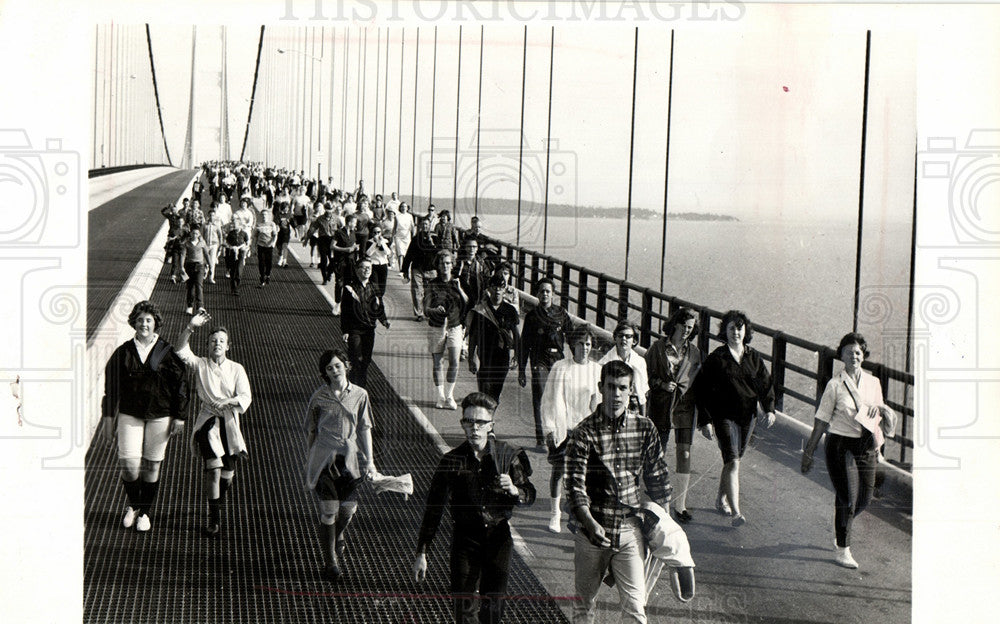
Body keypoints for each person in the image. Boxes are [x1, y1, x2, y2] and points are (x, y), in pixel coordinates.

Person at [413, 392, 536, 623]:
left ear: (491, 425)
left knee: (493, 610)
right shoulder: (451, 461)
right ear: (462, 424)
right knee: (464, 610)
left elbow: (530, 494)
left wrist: (515, 490)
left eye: (480, 422)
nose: (474, 428)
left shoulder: (508, 456)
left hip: (498, 540)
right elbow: (433, 509)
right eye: (468, 422)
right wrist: (422, 552)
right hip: (464, 541)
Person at [565, 360, 672, 624]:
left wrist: (666, 529)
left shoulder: (645, 428)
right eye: (611, 387)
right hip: (593, 531)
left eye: (623, 388)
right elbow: (575, 486)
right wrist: (589, 523)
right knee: (584, 604)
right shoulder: (583, 433)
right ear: (601, 388)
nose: (616, 394)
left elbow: (658, 478)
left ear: (631, 390)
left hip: (630, 530)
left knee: (636, 608)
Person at [802, 332, 897, 569]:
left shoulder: (873, 383)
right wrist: (809, 452)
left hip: (865, 444)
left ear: (863, 355)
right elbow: (821, 421)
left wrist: (882, 412)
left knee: (864, 498)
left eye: (858, 352)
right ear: (841, 355)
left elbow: (878, 416)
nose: (853, 356)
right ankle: (843, 548)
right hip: (840, 444)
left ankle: (841, 524)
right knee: (846, 497)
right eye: (848, 352)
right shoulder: (835, 385)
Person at [101, 300, 188, 533]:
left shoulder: (166, 352)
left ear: (155, 323)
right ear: (134, 323)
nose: (144, 324)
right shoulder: (123, 352)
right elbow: (111, 388)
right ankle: (134, 505)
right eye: (140, 320)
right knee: (129, 465)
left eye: (148, 320)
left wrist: (179, 416)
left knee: (151, 466)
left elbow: (181, 385)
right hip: (131, 413)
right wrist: (108, 418)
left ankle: (145, 512)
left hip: (160, 415)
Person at [693, 310, 776, 527]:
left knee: (732, 461)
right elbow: (700, 389)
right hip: (723, 416)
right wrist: (705, 421)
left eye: (739, 328)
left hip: (747, 417)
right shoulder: (717, 358)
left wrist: (769, 409)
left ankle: (721, 499)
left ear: (745, 331)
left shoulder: (753, 356)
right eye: (731, 328)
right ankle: (736, 512)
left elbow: (765, 385)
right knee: (733, 461)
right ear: (725, 331)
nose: (736, 332)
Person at [176, 311, 252, 538]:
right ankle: (214, 519)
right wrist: (190, 326)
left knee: (227, 474)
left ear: (228, 346)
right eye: (213, 341)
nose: (217, 344)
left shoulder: (236, 368)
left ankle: (217, 499)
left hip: (228, 422)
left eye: (221, 341)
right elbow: (181, 351)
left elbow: (245, 396)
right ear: (207, 345)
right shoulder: (200, 364)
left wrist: (229, 401)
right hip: (208, 421)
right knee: (214, 470)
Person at [304, 348, 378, 581]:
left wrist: (370, 461)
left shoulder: (360, 395)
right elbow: (312, 430)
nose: (334, 370)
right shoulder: (318, 397)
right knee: (328, 511)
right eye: (329, 368)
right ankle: (331, 563)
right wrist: (310, 461)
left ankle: (337, 535)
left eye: (337, 365)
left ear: (346, 366)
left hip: (350, 458)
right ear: (324, 373)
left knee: (347, 510)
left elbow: (365, 428)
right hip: (324, 457)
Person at [644, 307, 706, 523]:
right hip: (661, 406)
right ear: (675, 324)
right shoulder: (657, 348)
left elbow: (699, 386)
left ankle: (680, 504)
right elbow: (647, 378)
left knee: (684, 453)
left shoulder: (695, 353)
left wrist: (705, 419)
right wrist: (661, 383)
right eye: (684, 326)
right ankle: (658, 499)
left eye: (691, 327)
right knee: (657, 452)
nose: (687, 331)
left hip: (685, 408)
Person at [540, 325, 600, 533]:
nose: (584, 348)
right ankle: (555, 514)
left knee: (584, 475)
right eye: (581, 344)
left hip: (586, 433)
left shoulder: (596, 370)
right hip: (563, 428)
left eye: (588, 344)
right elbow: (548, 400)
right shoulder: (560, 367)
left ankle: (580, 516)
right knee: (559, 472)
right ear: (573, 345)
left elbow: (598, 404)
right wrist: (549, 429)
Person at [518, 278, 574, 446]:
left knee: (559, 396)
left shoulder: (561, 313)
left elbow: (571, 336)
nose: (544, 294)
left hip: (557, 360)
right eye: (541, 291)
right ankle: (541, 436)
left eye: (548, 291)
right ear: (537, 294)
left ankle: (558, 431)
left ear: (553, 294)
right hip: (539, 359)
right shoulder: (531, 316)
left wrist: (577, 360)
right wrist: (522, 370)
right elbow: (524, 344)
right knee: (541, 397)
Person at [424, 250, 468, 409]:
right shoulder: (432, 284)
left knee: (455, 362)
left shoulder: (457, 282)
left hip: (454, 325)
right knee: (437, 363)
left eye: (448, 263)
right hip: (436, 327)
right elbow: (425, 309)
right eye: (442, 263)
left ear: (452, 265)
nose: (445, 266)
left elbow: (467, 302)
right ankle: (440, 396)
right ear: (438, 265)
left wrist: (460, 289)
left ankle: (450, 396)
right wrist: (435, 310)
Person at [467, 274, 521, 403]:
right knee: (484, 392)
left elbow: (516, 333)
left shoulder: (510, 310)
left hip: (502, 357)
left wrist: (517, 355)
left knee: (495, 394)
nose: (497, 290)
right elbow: (473, 337)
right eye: (494, 287)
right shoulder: (480, 310)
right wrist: (471, 358)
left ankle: (489, 419)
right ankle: (486, 419)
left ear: (504, 289)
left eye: (501, 287)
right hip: (484, 355)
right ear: (489, 289)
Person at [341, 258, 391, 388]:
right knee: (355, 358)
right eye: (364, 267)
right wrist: (345, 330)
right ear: (357, 270)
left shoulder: (374, 287)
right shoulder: (350, 288)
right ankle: (352, 385)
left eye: (369, 267)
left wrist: (384, 320)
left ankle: (361, 386)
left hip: (369, 329)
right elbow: (345, 311)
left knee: (366, 360)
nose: (367, 270)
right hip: (354, 329)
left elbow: (379, 306)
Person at [598, 320, 649, 417]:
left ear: (634, 340)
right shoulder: (604, 363)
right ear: (615, 338)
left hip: (634, 409)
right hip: (613, 407)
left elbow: (643, 395)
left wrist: (644, 417)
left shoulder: (640, 362)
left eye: (628, 336)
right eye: (620, 336)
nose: (624, 339)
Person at [401, 217, 439, 321]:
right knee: (417, 291)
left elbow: (439, 252)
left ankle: (430, 312)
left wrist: (432, 243)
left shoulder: (435, 238)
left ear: (429, 225)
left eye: (426, 224)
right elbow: (409, 254)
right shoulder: (416, 238)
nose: (425, 226)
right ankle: (419, 314)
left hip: (431, 268)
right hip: (417, 267)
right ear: (420, 226)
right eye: (423, 224)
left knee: (431, 292)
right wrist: (404, 270)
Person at [182, 227, 210, 314]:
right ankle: (190, 306)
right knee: (190, 286)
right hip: (189, 266)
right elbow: (183, 255)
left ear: (199, 235)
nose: (195, 235)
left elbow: (206, 254)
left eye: (196, 233)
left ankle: (200, 306)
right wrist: (181, 267)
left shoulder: (202, 243)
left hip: (200, 266)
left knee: (199, 285)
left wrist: (210, 265)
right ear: (191, 234)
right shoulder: (187, 244)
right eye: (193, 233)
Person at [222, 215, 250, 296]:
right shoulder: (231, 233)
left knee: (238, 271)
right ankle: (233, 287)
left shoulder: (244, 233)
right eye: (233, 225)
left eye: (236, 225)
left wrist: (243, 247)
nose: (234, 226)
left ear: (240, 225)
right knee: (232, 270)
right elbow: (226, 242)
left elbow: (247, 243)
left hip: (241, 253)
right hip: (232, 253)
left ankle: (237, 288)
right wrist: (231, 247)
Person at [364, 222, 393, 297]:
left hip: (383, 265)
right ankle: (376, 302)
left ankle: (379, 300)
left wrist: (382, 243)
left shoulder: (385, 241)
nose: (377, 234)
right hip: (374, 265)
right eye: (375, 232)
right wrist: (375, 243)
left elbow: (388, 252)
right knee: (374, 286)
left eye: (379, 232)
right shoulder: (369, 242)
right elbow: (368, 253)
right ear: (372, 233)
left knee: (382, 288)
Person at [252, 208, 279, 287]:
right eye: (263, 215)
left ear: (268, 216)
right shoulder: (258, 225)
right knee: (261, 262)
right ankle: (262, 278)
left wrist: (273, 243)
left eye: (265, 215)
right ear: (261, 216)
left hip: (269, 245)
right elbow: (255, 237)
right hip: (261, 245)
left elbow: (274, 235)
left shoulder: (272, 224)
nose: (264, 216)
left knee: (268, 262)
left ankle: (268, 274)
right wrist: (253, 247)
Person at [392, 201, 415, 272]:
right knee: (400, 253)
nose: (403, 208)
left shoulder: (410, 216)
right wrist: (392, 237)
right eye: (402, 206)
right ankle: (401, 269)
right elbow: (394, 227)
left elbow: (412, 227)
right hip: (399, 236)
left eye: (405, 206)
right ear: (400, 208)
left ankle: (406, 268)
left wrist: (413, 236)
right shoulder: (397, 216)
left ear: (407, 208)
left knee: (406, 253)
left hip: (407, 236)